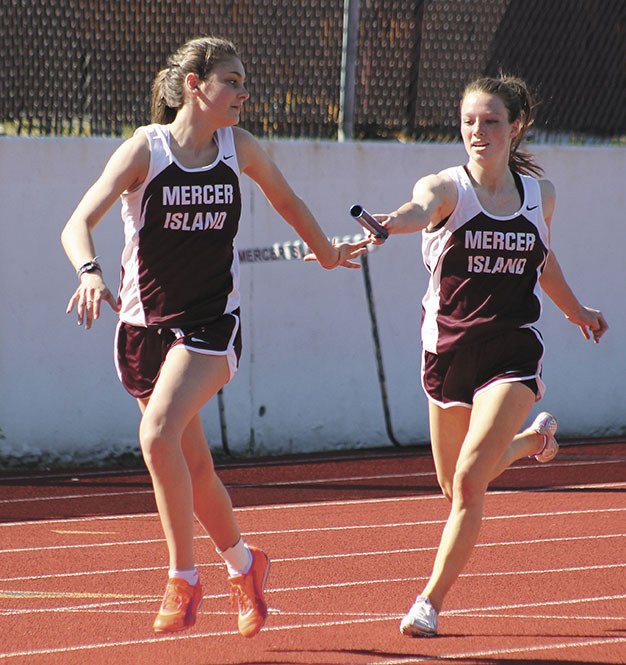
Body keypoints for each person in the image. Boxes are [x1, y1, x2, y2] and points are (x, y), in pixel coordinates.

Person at [61, 36, 369, 638]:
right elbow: (78, 222)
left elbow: (288, 201)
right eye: (232, 81)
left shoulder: (239, 147)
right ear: (195, 86)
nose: (243, 93)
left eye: (243, 82)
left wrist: (328, 253)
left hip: (209, 326)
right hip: (144, 329)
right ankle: (246, 565)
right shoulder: (144, 151)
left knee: (156, 437)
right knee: (194, 468)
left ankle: (183, 578)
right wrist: (90, 272)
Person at [367, 75, 608, 637]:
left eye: (491, 120)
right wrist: (387, 225)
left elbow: (543, 262)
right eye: (470, 120)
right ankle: (532, 443)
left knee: (471, 482)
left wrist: (577, 312)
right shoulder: (448, 188)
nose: (478, 131)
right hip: (448, 352)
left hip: (512, 351)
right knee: (452, 486)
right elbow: (415, 208)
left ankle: (429, 601)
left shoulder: (537, 196)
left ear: (516, 126)